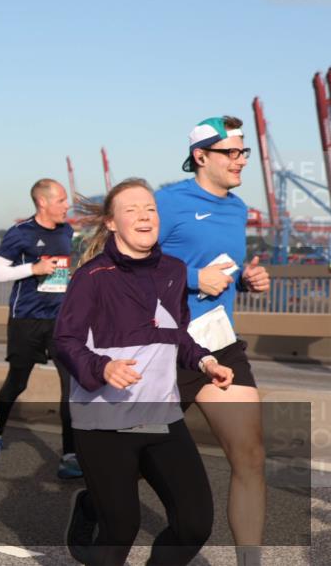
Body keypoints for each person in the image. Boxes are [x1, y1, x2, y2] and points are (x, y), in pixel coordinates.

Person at [57, 178, 233, 566]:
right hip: (104, 420)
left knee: (193, 525)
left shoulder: (173, 271)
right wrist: (103, 366)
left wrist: (205, 361)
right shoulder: (91, 278)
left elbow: (177, 333)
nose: (144, 216)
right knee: (120, 529)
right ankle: (90, 508)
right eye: (131, 210)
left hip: (160, 415)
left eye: (150, 209)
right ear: (111, 223)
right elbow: (66, 341)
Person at [157, 117, 270, 566]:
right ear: (201, 156)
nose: (241, 160)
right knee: (133, 461)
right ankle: (95, 504)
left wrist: (244, 280)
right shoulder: (167, 202)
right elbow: (128, 263)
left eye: (243, 152)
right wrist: (190, 277)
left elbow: (220, 269)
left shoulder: (238, 209)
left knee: (251, 456)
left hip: (219, 344)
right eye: (231, 152)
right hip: (164, 346)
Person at [0, 178, 82, 478]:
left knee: (70, 385)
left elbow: (62, 270)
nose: (67, 206)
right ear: (43, 202)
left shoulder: (66, 231)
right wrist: (33, 269)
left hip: (59, 319)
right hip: (26, 319)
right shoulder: (20, 233)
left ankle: (70, 455)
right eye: (61, 200)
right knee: (18, 382)